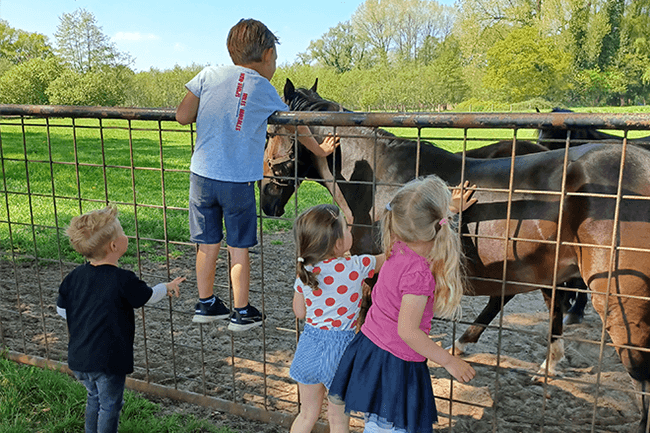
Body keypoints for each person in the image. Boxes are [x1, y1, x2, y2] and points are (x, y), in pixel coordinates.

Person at [175, 18, 339, 331]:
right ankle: (240, 311)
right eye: (275, 59)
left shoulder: (208, 74)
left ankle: (206, 303)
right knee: (238, 248)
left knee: (207, 245)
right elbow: (295, 124)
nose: (275, 65)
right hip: (236, 182)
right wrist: (319, 151)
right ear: (266, 56)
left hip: (201, 177)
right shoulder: (262, 87)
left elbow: (183, 116)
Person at [328, 176, 477, 433]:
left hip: (371, 348)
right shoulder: (419, 274)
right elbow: (407, 331)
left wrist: (448, 210)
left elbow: (417, 225)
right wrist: (449, 361)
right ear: (436, 227)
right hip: (396, 362)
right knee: (390, 428)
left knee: (376, 421)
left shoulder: (396, 246)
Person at [56, 205, 185, 433]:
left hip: (79, 357)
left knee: (93, 397)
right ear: (114, 246)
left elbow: (63, 311)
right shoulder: (123, 279)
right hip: (108, 359)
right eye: (122, 232)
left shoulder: (73, 277)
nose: (126, 235)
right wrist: (167, 287)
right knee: (111, 404)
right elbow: (147, 296)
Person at [289, 203, 386, 433]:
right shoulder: (356, 265)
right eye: (347, 229)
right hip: (341, 351)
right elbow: (386, 257)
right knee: (338, 419)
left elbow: (299, 312)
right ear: (338, 243)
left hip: (309, 347)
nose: (350, 230)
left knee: (306, 414)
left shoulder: (306, 271)